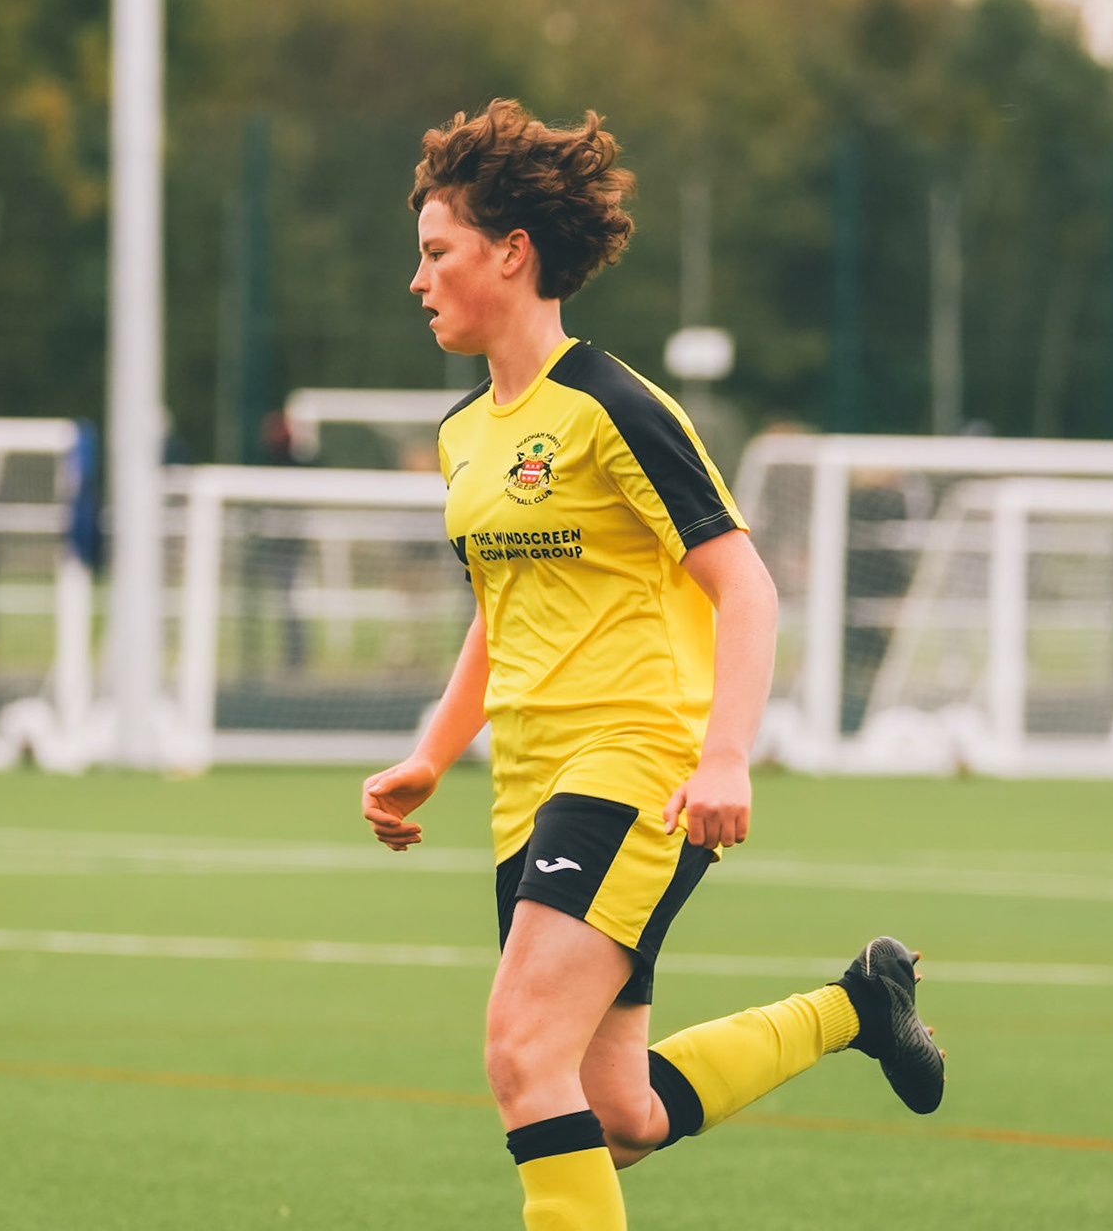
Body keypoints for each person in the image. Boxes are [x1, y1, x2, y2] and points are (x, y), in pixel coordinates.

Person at [360, 100, 945, 1230]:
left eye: (437, 252)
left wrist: (726, 755)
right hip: (529, 787)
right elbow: (500, 612)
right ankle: (861, 1006)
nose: (418, 280)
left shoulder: (614, 406)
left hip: (636, 761)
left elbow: (747, 586)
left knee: (522, 1051)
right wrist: (432, 754)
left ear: (511, 253)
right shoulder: (463, 434)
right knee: (614, 1112)